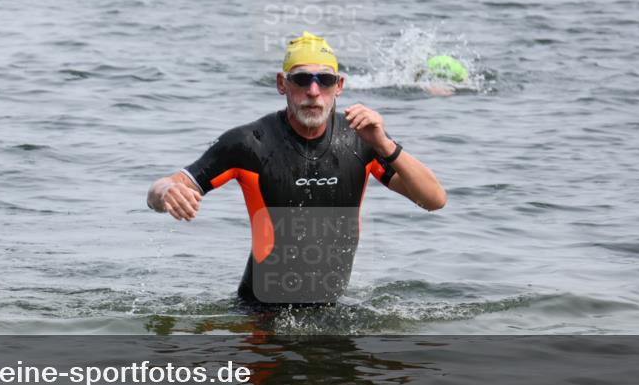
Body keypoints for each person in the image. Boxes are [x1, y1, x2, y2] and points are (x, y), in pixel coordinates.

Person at [147, 32, 447, 306]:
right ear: (282, 84)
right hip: (261, 310)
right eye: (302, 80)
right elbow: (158, 191)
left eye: (325, 81)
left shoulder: (363, 139)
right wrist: (167, 191)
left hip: (331, 307)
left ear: (338, 86)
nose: (314, 91)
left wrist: (385, 144)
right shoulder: (249, 143)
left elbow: (434, 200)